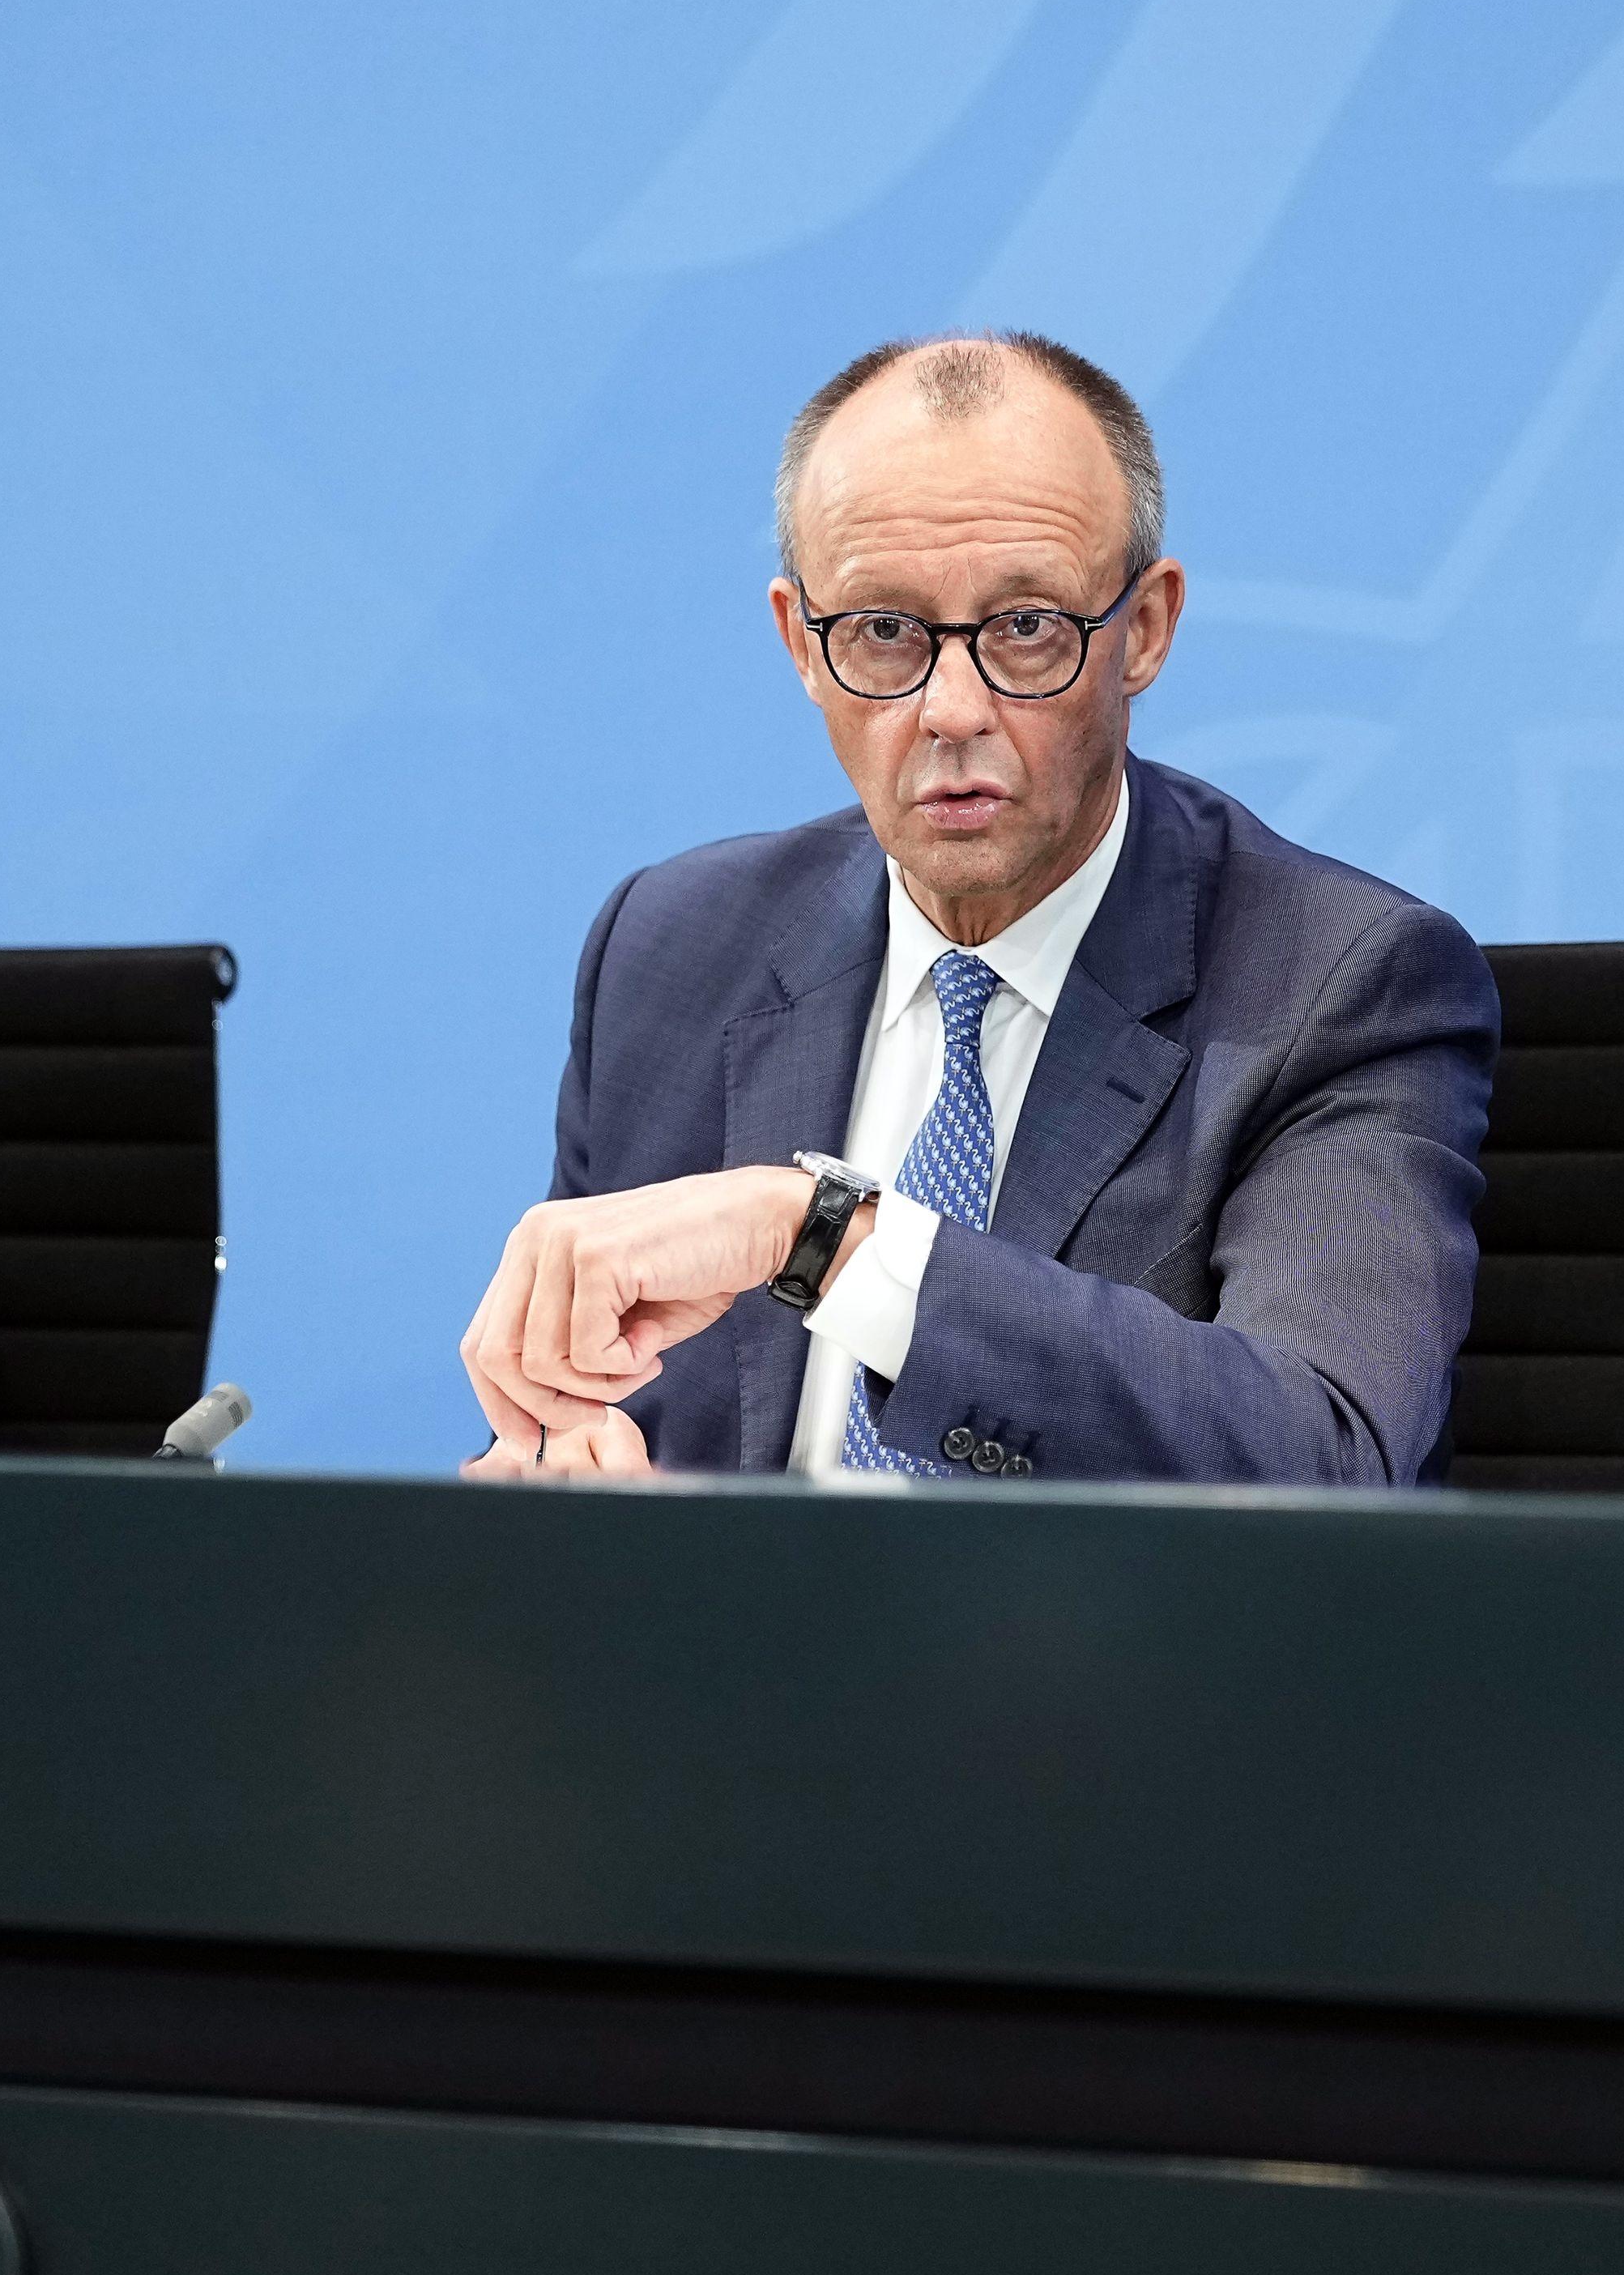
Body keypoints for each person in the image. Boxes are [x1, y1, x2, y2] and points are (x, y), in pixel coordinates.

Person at [461, 333, 1496, 1485]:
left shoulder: (1337, 983)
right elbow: (592, 1418)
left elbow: (1321, 1459)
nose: (953, 708)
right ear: (802, 643)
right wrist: (559, 1503)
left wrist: (817, 1233)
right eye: (886, 632)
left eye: (1026, 626)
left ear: (1144, 629)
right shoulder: (672, 948)